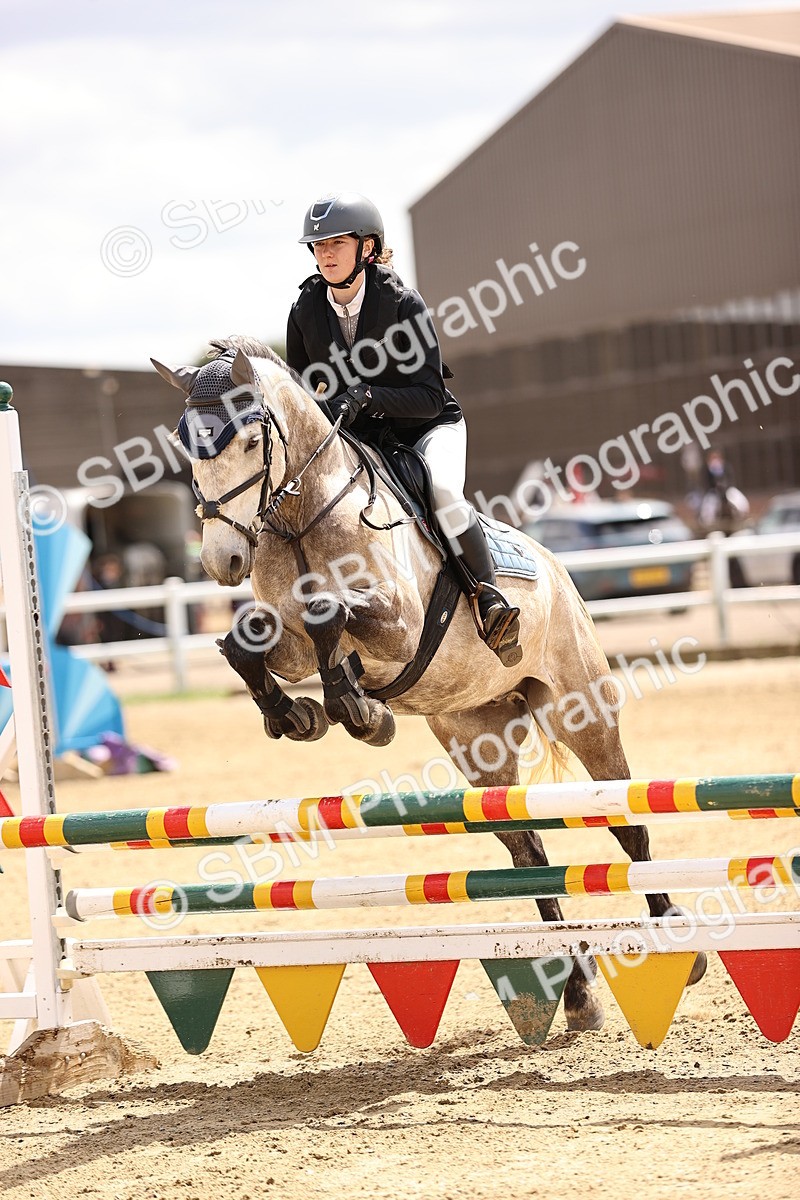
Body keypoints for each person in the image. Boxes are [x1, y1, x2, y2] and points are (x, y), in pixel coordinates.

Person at [286, 192, 522, 667]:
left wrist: (367, 395)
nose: (325, 254)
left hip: (427, 429)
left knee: (444, 493)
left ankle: (490, 599)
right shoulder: (304, 310)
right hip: (365, 443)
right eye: (317, 245)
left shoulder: (403, 304)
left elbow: (429, 396)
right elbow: (300, 395)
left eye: (336, 242)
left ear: (367, 248)